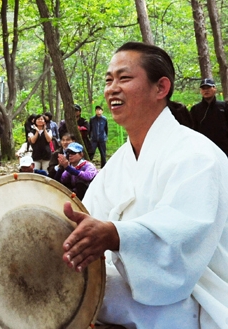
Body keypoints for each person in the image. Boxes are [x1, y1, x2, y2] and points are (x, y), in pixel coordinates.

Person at [62, 42, 228, 328]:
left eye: (124, 78)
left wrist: (117, 235)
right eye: (108, 80)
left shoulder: (198, 155)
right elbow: (87, 221)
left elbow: (180, 240)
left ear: (161, 88)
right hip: (131, 294)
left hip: (195, 297)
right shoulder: (117, 164)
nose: (112, 88)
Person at [190, 77, 228, 156]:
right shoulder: (195, 109)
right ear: (201, 91)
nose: (206, 90)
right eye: (203, 88)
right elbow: (192, 129)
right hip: (204, 147)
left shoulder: (224, 106)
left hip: (224, 146)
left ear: (214, 89)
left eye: (208, 88)